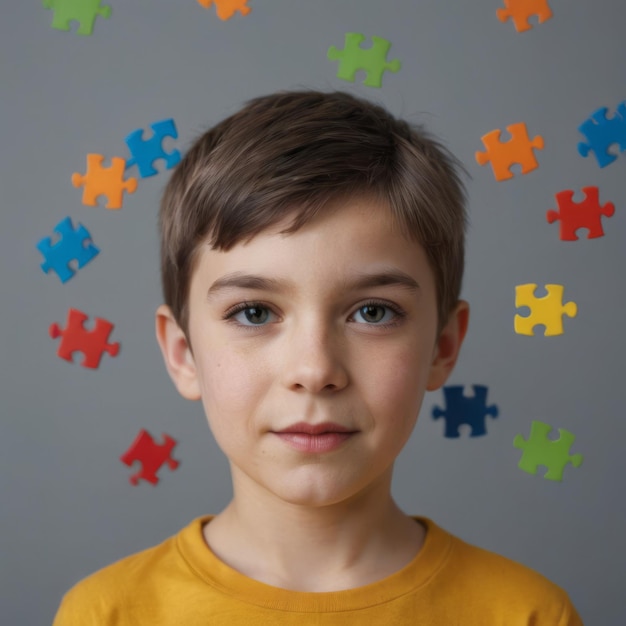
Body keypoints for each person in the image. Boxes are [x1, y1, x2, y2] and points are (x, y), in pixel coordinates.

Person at [53, 90, 583, 625]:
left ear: (443, 347)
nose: (315, 370)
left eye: (373, 312)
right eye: (255, 313)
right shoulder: (106, 614)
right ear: (181, 352)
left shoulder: (527, 614)